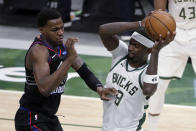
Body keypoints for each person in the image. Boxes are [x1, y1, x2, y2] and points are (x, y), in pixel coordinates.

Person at [14, 8, 117, 131]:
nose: (61, 32)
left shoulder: (61, 47)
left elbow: (83, 70)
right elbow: (45, 89)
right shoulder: (39, 51)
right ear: (42, 30)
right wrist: (69, 59)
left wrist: (99, 88)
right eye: (55, 30)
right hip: (31, 118)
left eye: (62, 28)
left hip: (49, 117)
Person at [98, 16, 175, 130]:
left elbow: (149, 90)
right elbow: (103, 30)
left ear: (148, 50)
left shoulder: (147, 72)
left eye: (136, 46)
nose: (130, 48)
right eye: (130, 43)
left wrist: (156, 52)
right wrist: (138, 24)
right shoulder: (121, 55)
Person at [147, 0, 196, 131]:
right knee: (158, 85)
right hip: (173, 31)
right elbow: (160, 12)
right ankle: (151, 128)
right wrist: (158, 25)